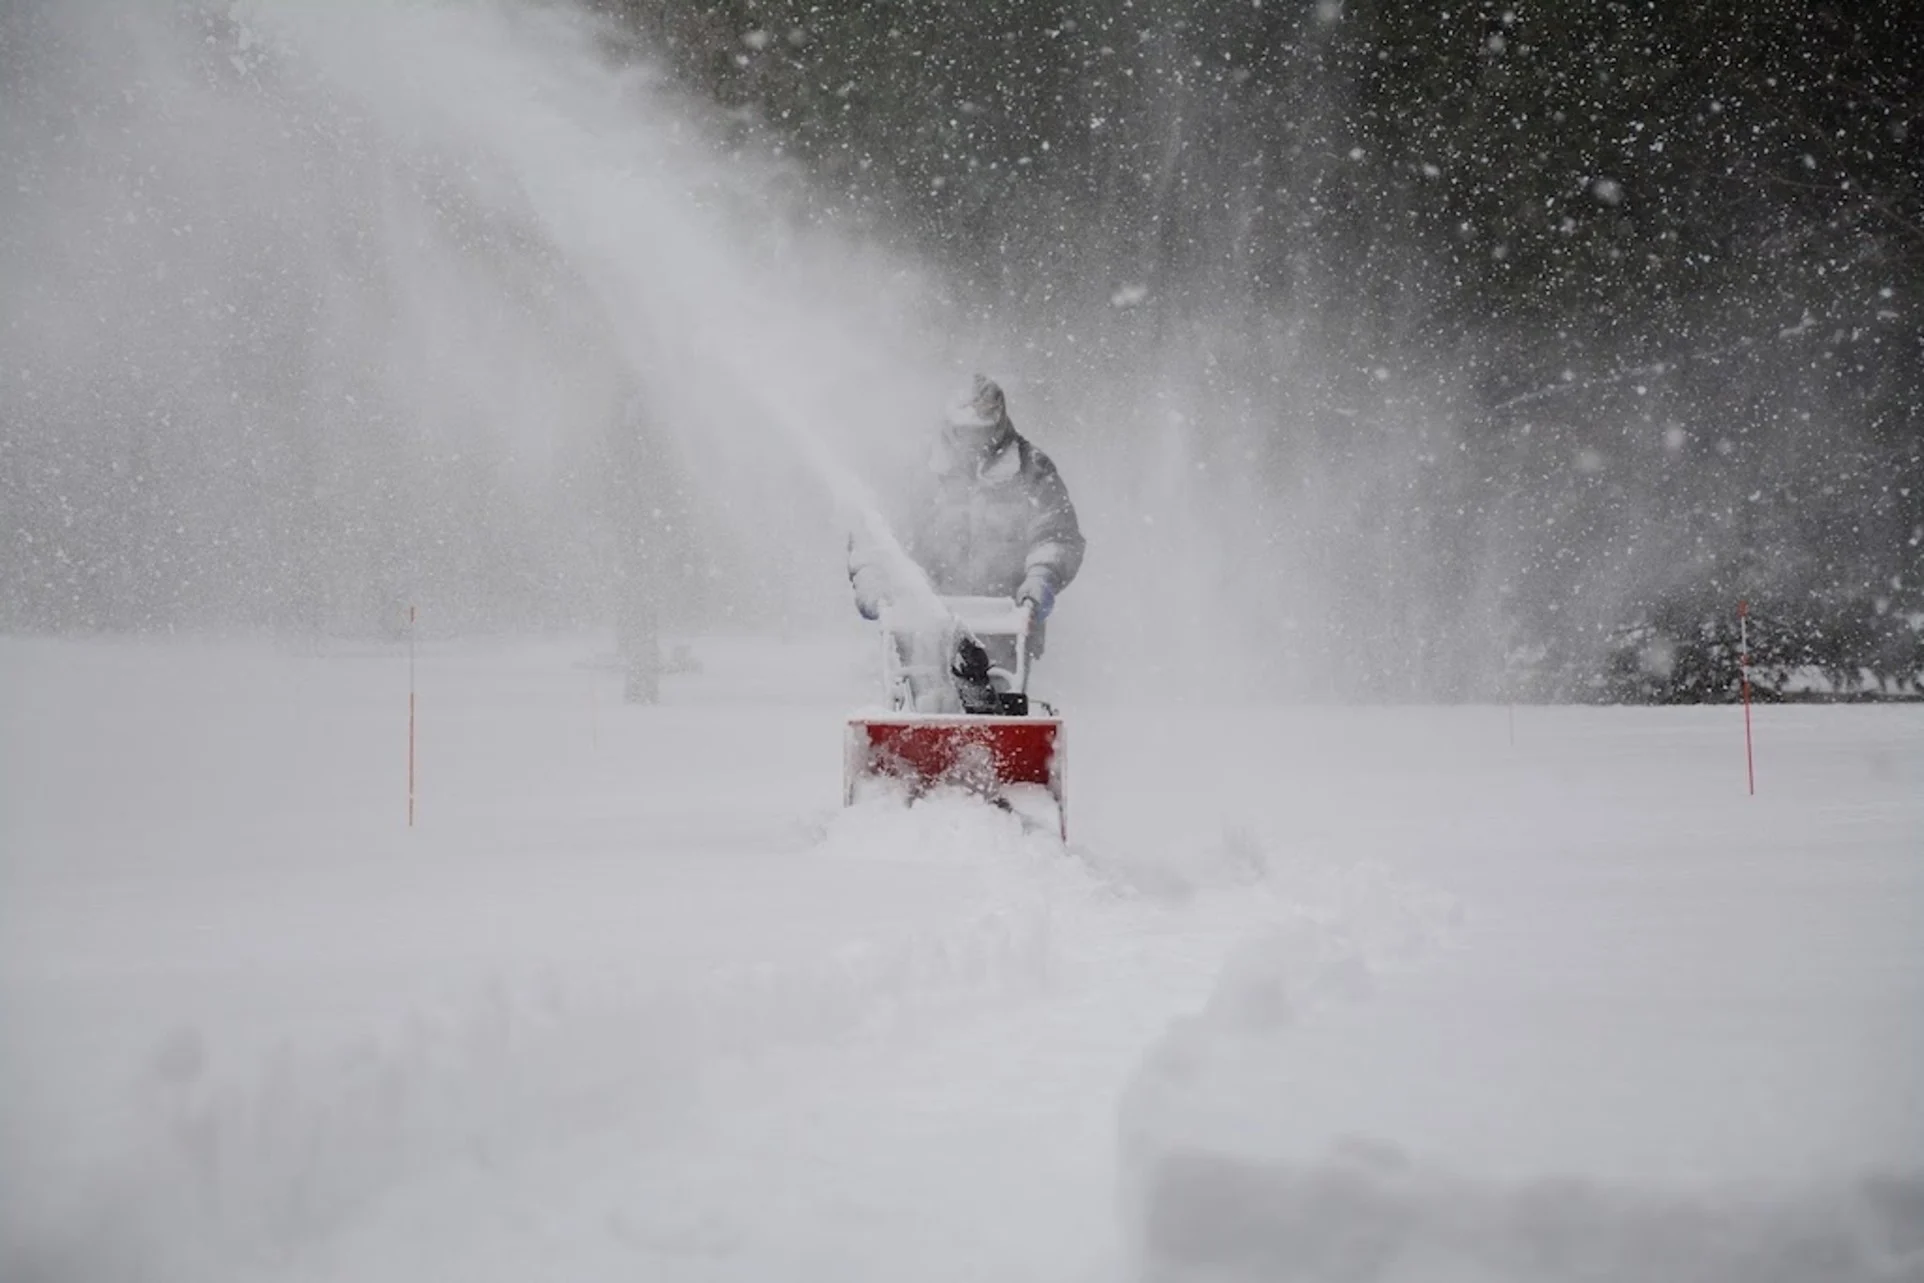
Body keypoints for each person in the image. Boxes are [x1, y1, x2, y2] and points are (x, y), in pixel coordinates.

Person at [848, 375, 1085, 673]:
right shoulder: (915, 470)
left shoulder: (1032, 470)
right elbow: (876, 533)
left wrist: (1042, 578)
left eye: (983, 432)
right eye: (965, 432)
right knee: (927, 701)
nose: (974, 442)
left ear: (999, 425)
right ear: (950, 426)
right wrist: (873, 580)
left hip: (1006, 627)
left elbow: (1055, 534)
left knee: (999, 705)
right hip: (922, 627)